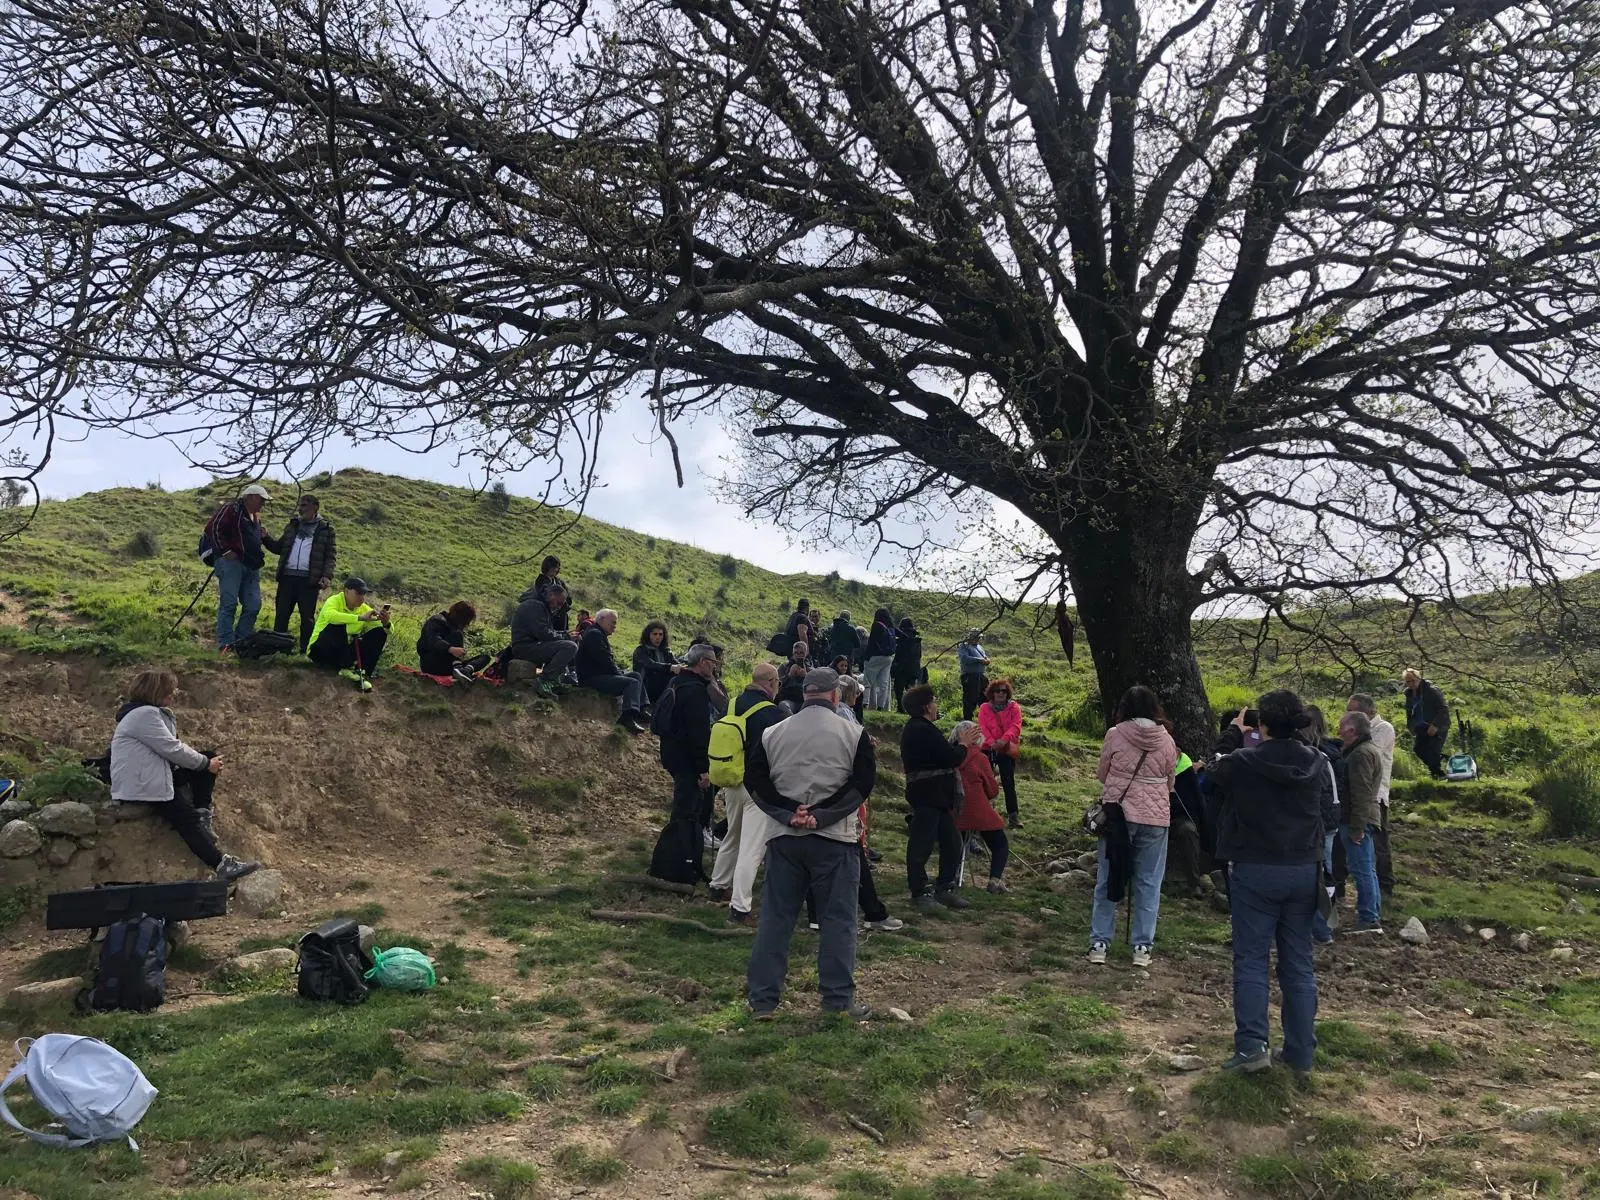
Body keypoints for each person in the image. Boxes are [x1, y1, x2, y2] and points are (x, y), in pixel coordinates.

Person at [1207, 689, 1334, 1075]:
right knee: (1298, 963)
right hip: (1303, 868)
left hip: (1255, 866)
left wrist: (1232, 733)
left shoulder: (1244, 761)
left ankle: (1252, 1048)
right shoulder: (1317, 761)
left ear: (1261, 724)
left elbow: (1211, 777)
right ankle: (1300, 1053)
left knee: (1251, 959)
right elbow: (1327, 811)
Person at [745, 667, 877, 1020]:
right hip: (835, 839)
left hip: (784, 837)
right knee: (838, 921)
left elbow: (755, 781)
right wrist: (822, 814)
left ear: (805, 693)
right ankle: (837, 1001)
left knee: (776, 919)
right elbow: (862, 784)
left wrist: (789, 812)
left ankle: (762, 1001)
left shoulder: (773, 732)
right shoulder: (854, 733)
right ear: (835, 695)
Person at [109, 669, 261, 882]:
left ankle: (203, 813)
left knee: (207, 758)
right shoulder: (145, 715)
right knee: (186, 818)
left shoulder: (140, 714)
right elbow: (172, 749)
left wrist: (205, 761)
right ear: (155, 692)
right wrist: (205, 764)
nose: (173, 695)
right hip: (145, 783)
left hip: (147, 776)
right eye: (168, 691)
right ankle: (221, 863)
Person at [1089, 686, 1179, 967]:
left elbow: (1102, 774)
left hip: (1118, 816)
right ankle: (1142, 948)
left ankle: (1099, 943)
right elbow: (1170, 782)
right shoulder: (1167, 740)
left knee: (1108, 876)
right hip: (1155, 818)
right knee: (1149, 882)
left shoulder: (1115, 734)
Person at [708, 664, 789, 925]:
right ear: (772, 682)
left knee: (732, 835)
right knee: (752, 848)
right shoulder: (773, 713)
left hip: (731, 781)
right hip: (757, 787)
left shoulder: (732, 704)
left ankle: (718, 886)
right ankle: (740, 908)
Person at [900, 684, 970, 911]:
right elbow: (950, 757)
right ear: (926, 706)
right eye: (933, 701)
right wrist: (963, 745)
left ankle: (945, 888)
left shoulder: (921, 728)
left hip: (936, 795)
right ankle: (919, 891)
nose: (936, 705)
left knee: (952, 842)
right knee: (921, 845)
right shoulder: (921, 729)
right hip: (928, 794)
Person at [659, 644, 720, 826]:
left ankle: (688, 837)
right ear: (702, 662)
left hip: (671, 751)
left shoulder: (676, 681)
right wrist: (702, 768)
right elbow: (698, 732)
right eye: (713, 662)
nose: (715, 666)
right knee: (686, 811)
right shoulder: (696, 691)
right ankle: (680, 841)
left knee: (686, 806)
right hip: (687, 759)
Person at [268, 494, 337, 653]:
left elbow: (330, 556)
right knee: (282, 614)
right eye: (300, 505)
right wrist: (265, 538)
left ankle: (305, 651)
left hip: (309, 581)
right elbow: (279, 548)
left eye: (304, 505)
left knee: (307, 618)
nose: (300, 509)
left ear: (315, 507)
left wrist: (327, 576)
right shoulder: (292, 525)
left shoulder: (326, 529)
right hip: (287, 578)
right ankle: (278, 650)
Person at [1338, 710, 1385, 936]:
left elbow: (1361, 793)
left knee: (1362, 869)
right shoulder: (1369, 750)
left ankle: (1368, 918)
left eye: (1341, 726)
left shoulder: (1359, 755)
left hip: (1357, 819)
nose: (1339, 731)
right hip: (1367, 817)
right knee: (1368, 869)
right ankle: (1372, 913)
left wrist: (1357, 828)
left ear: (1352, 730)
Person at [209, 483, 271, 652]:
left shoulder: (256, 518)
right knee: (229, 604)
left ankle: (241, 643)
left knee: (253, 605)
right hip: (231, 564)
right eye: (262, 499)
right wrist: (225, 551)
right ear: (251, 497)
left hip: (251, 566)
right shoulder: (231, 509)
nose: (263, 503)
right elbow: (214, 528)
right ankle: (226, 644)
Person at [1348, 693, 1397, 894]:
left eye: (1351, 711)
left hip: (1376, 795)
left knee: (1379, 843)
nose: (1347, 715)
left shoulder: (1383, 728)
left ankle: (1385, 885)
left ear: (1366, 712)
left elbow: (1365, 751)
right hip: (1363, 792)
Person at [952, 721, 1009, 893]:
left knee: (955, 842)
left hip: (953, 811)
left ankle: (953, 875)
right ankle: (994, 881)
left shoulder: (949, 755)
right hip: (978, 812)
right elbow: (992, 791)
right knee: (1000, 844)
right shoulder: (980, 758)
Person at [1302, 705, 1343, 944]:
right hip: (1330, 820)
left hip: (1316, 823)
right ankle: (1324, 926)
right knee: (1325, 875)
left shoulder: (1313, 755)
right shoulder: (1333, 752)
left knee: (1316, 876)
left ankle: (1319, 928)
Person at [308, 577, 391, 692]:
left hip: (343, 653)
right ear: (346, 591)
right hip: (321, 649)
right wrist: (359, 618)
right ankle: (345, 666)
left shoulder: (364, 608)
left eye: (364, 594)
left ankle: (362, 672)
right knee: (337, 625)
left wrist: (386, 622)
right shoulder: (334, 601)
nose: (362, 597)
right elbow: (331, 616)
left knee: (379, 632)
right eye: (358, 593)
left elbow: (386, 631)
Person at [574, 609, 648, 733]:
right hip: (591, 678)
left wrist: (618, 672)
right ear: (602, 620)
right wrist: (618, 673)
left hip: (600, 674)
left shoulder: (597, 633)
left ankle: (641, 709)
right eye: (613, 622)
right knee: (632, 682)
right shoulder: (594, 634)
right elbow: (604, 660)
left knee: (636, 675)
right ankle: (627, 717)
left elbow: (606, 661)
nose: (615, 626)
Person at [509, 583, 579, 699]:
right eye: (559, 603)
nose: (559, 607)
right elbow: (543, 633)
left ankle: (555, 680)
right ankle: (544, 680)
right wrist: (566, 636)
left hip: (530, 645)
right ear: (551, 595)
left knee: (569, 643)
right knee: (569, 647)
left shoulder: (541, 606)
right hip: (525, 647)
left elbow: (546, 632)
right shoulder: (535, 606)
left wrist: (566, 634)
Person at [979, 678, 1024, 828]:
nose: (1001, 693)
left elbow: (1016, 726)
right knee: (985, 782)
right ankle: (986, 814)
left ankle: (1013, 816)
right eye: (997, 691)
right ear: (992, 692)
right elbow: (982, 727)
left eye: (1004, 691)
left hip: (1005, 748)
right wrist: (992, 742)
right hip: (988, 748)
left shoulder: (1014, 707)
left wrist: (1003, 740)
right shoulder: (984, 708)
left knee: (1008, 782)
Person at [418, 601, 491, 684]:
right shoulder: (437, 620)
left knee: (485, 657)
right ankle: (458, 669)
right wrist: (450, 649)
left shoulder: (455, 628)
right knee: (457, 634)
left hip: (448, 666)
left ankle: (465, 671)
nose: (467, 624)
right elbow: (432, 639)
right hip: (431, 664)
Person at [1402, 669, 1449, 779]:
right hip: (1420, 727)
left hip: (1437, 725)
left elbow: (1443, 709)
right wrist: (1411, 727)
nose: (1411, 684)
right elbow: (1409, 712)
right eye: (1408, 681)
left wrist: (1435, 725)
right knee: (1418, 749)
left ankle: (1437, 774)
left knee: (1433, 749)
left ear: (1419, 678)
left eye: (1413, 680)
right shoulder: (1409, 694)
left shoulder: (1431, 690)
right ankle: (1438, 771)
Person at [633, 620, 679, 705]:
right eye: (654, 634)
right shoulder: (641, 650)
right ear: (648, 635)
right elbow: (650, 664)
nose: (658, 637)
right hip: (647, 686)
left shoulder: (666, 651)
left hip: (664, 685)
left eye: (660, 634)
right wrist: (670, 667)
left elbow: (675, 663)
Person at [524, 555, 572, 633]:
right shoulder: (541, 581)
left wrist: (562, 603)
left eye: (557, 568)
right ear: (547, 567)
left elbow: (568, 598)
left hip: (561, 615)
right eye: (553, 567)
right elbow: (545, 596)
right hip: (547, 615)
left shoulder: (560, 582)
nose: (555, 570)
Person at [957, 629, 991, 720]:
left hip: (981, 675)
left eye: (979, 638)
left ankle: (986, 720)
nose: (978, 639)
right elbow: (964, 659)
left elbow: (984, 657)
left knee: (985, 698)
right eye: (976, 637)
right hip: (970, 676)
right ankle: (968, 720)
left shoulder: (979, 647)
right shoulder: (964, 646)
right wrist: (979, 660)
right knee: (970, 699)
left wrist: (987, 660)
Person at [891, 617, 923, 711]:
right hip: (914, 668)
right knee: (911, 690)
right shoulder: (917, 641)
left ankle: (900, 707)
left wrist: (895, 665)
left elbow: (899, 654)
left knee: (899, 688)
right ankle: (911, 708)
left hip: (902, 668)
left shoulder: (901, 639)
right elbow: (919, 655)